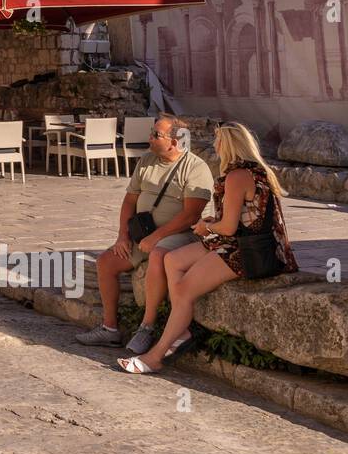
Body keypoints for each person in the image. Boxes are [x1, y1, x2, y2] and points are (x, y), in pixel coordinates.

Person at [119, 121, 299, 374]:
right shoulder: (254, 170)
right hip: (240, 239)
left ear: (227, 144)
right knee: (171, 260)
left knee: (183, 289)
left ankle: (157, 355)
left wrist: (207, 227)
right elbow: (238, 220)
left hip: (247, 251)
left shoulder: (238, 176)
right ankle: (180, 330)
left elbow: (227, 228)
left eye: (217, 140)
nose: (214, 145)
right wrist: (213, 224)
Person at [76, 114, 214, 352]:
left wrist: (157, 236)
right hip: (143, 233)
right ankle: (110, 329)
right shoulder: (147, 161)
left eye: (156, 135)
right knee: (106, 262)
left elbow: (191, 215)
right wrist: (122, 235)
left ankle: (146, 327)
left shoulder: (195, 168)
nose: (149, 138)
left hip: (178, 234)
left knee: (159, 254)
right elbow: (130, 200)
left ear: (174, 141)